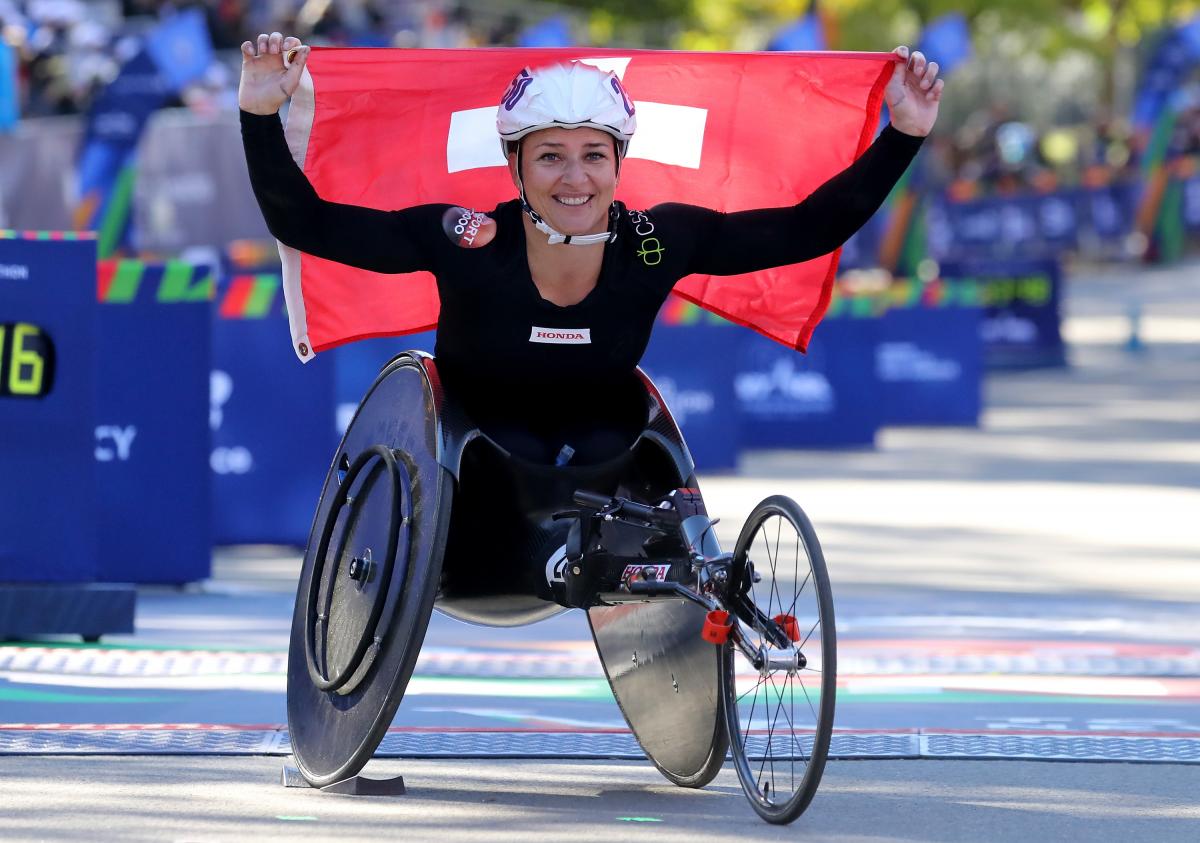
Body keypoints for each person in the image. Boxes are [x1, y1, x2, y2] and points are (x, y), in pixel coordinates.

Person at [239, 33, 943, 465]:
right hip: (470, 442)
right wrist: (260, 114)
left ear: (618, 162)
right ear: (514, 166)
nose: (574, 178)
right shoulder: (466, 239)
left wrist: (903, 134)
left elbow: (806, 229)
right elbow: (309, 224)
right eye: (550, 157)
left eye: (592, 156)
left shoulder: (655, 243)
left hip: (607, 445)